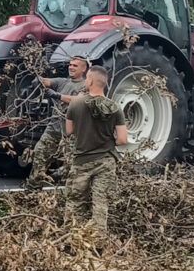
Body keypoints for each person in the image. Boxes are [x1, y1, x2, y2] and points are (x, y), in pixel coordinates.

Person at [64, 65, 128, 232]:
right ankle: (99, 243)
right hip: (106, 161)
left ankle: (71, 241)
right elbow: (122, 140)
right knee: (100, 204)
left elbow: (68, 131)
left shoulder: (75, 104)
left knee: (75, 202)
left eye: (87, 78)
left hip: (81, 162)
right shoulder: (115, 108)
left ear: (90, 80)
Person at [23, 56, 89, 191]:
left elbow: (78, 101)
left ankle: (66, 197)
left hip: (72, 134)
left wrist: (57, 96)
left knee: (70, 168)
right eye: (70, 64)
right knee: (39, 157)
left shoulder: (86, 86)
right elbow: (45, 82)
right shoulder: (62, 82)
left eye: (75, 65)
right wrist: (38, 79)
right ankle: (32, 190)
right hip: (53, 129)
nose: (71, 67)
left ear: (84, 69)